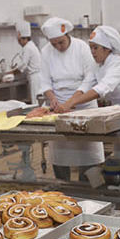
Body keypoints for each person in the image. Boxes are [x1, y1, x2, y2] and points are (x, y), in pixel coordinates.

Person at [59, 25, 120, 177]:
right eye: (91, 48)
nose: (92, 52)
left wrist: (71, 104)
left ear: (107, 49)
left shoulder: (118, 64)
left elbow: (102, 89)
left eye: (95, 48)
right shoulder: (97, 65)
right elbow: (85, 85)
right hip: (119, 111)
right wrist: (67, 104)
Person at [39, 17, 103, 182]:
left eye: (61, 42)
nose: (58, 47)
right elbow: (45, 81)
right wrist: (52, 99)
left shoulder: (82, 48)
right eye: (54, 44)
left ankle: (91, 189)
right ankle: (63, 188)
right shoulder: (46, 52)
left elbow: (90, 78)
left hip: (85, 105)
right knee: (61, 150)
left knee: (89, 150)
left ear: (67, 35)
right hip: (59, 107)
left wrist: (73, 102)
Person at [14, 21, 42, 103]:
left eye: (19, 41)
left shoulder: (27, 48)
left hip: (35, 78)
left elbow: (23, 65)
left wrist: (11, 73)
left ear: (23, 39)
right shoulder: (31, 45)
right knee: (38, 100)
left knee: (36, 101)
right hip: (37, 76)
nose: (19, 43)